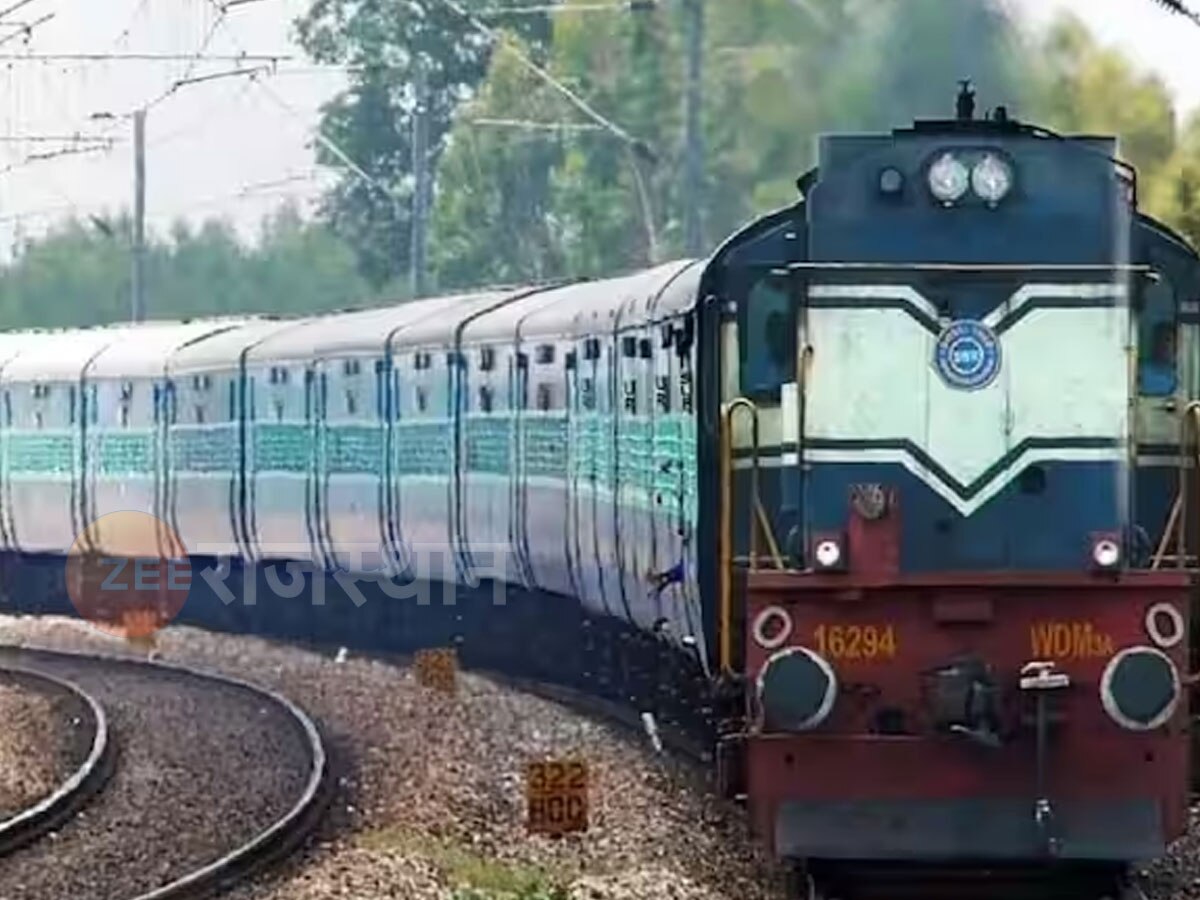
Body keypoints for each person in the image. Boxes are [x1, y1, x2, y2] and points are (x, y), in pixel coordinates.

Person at [1140, 322, 1176, 396]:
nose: (1165, 344)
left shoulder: (1181, 372)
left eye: (1168, 340)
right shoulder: (1142, 369)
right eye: (1159, 339)